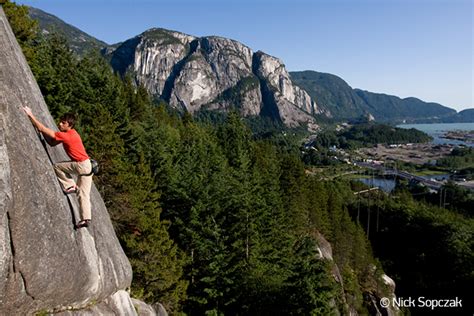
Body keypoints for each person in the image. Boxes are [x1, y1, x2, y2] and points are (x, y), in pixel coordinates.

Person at [23, 106, 93, 229]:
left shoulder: (67, 136)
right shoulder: (72, 133)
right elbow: (52, 142)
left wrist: (30, 115)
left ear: (69, 125)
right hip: (88, 166)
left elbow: (42, 128)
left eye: (63, 123)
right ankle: (85, 219)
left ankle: (70, 185)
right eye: (60, 121)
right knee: (83, 194)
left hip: (81, 165)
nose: (60, 124)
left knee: (57, 167)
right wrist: (42, 134)